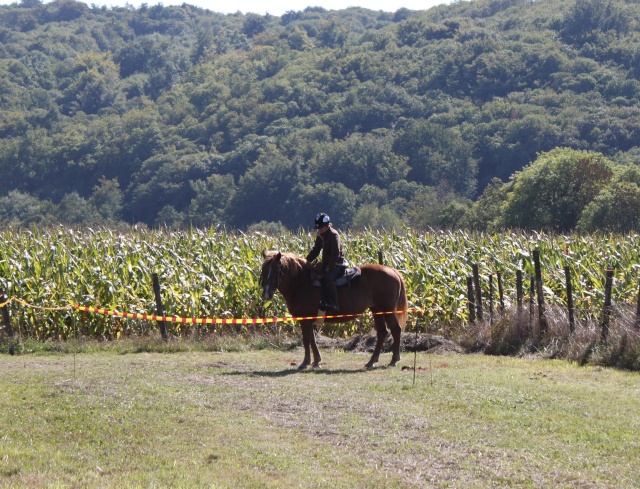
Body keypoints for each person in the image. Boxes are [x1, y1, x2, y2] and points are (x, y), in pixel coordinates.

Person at [306, 212, 346, 313]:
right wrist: (306, 261)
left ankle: (334, 304)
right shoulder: (320, 235)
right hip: (326, 264)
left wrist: (329, 267)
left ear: (327, 225)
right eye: (318, 227)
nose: (319, 229)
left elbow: (335, 253)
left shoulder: (333, 235)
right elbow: (316, 250)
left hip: (337, 264)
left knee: (328, 278)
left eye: (321, 227)